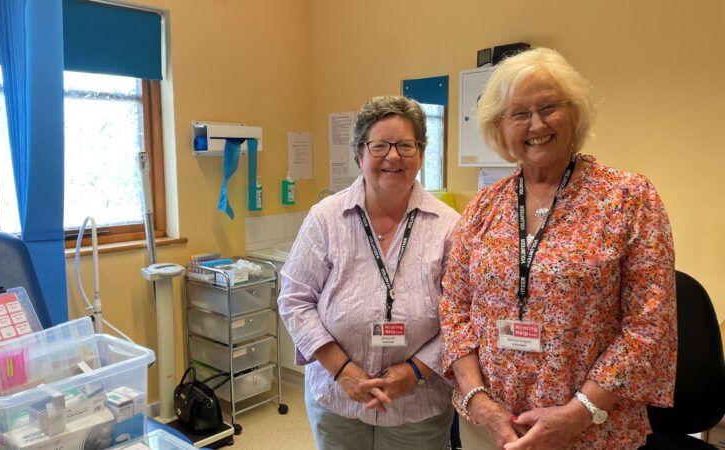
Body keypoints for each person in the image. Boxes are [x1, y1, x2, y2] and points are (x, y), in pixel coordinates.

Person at [440, 48, 676, 450]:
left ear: (575, 114)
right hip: (489, 427)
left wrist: (578, 413)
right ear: (500, 126)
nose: (536, 124)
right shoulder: (484, 206)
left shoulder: (629, 198)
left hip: (591, 430)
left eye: (549, 107)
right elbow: (454, 308)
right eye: (519, 113)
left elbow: (649, 325)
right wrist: (480, 404)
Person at [278, 95, 459, 449]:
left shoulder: (449, 227)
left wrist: (415, 372)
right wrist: (343, 371)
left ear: (420, 154)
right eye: (380, 146)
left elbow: (462, 316)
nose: (393, 156)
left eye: (405, 145)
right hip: (338, 398)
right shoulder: (326, 218)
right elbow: (294, 299)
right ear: (360, 154)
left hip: (417, 404)